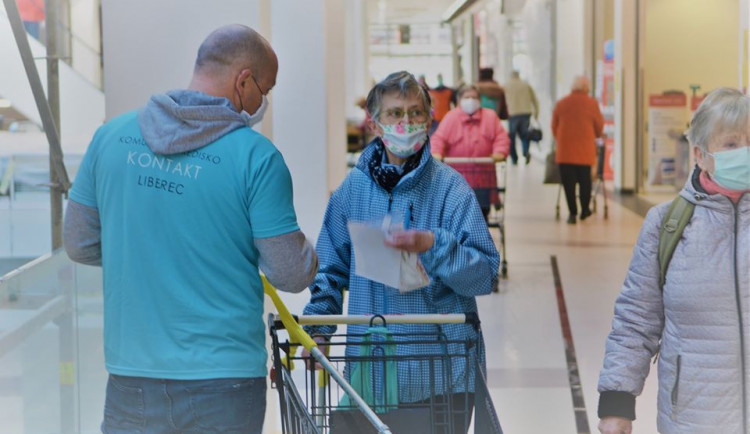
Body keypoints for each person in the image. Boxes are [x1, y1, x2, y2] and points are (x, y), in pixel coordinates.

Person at [63, 24, 318, 433]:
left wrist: (146, 252)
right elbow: (290, 272)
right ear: (243, 81)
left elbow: (78, 243)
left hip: (132, 376)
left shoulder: (111, 138)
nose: (262, 101)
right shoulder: (257, 158)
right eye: (264, 91)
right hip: (225, 382)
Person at [302, 71, 499, 434]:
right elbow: (330, 270)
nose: (405, 123)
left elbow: (485, 275)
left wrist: (434, 246)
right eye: (394, 114)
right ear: (375, 124)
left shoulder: (451, 190)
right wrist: (320, 329)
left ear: (429, 121)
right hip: (370, 376)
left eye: (414, 113)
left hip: (440, 376)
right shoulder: (351, 192)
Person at [597, 87, 750, 434]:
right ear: (699, 154)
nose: (745, 152)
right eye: (731, 143)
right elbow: (635, 320)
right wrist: (617, 404)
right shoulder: (667, 223)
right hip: (694, 419)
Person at [431, 84, 510, 219]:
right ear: (459, 100)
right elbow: (439, 138)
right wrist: (436, 153)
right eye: (467, 97)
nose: (471, 100)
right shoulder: (451, 117)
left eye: (474, 97)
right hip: (457, 179)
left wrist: (500, 152)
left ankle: (479, 237)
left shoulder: (490, 117)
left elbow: (501, 137)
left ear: (479, 100)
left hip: (483, 178)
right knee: (457, 214)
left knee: (481, 214)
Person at [551, 76, 604, 224]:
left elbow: (554, 125)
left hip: (565, 151)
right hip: (585, 151)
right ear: (586, 88)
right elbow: (599, 126)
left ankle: (572, 213)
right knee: (585, 181)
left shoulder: (561, 103)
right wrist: (596, 136)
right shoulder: (592, 104)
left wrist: (561, 139)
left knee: (568, 184)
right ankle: (585, 209)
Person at [504, 70, 539, 165]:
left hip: (513, 114)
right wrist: (536, 114)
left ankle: (514, 158)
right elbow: (535, 100)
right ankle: (525, 152)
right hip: (525, 113)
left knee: (512, 137)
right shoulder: (526, 85)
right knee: (525, 135)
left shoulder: (506, 85)